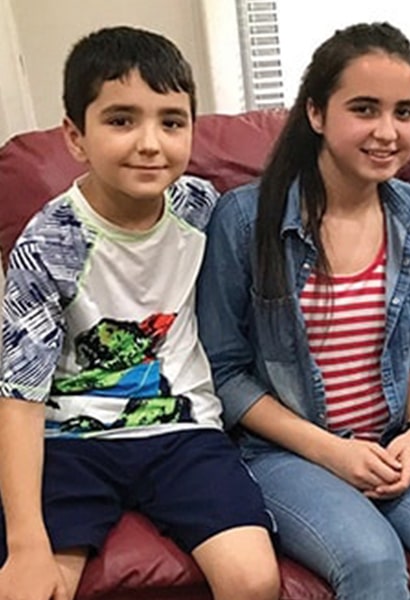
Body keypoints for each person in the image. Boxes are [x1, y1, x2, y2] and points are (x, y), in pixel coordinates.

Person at [195, 23, 410, 600]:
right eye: (364, 109)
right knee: (371, 559)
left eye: (404, 112)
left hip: (390, 440)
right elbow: (224, 373)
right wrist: (331, 452)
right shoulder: (245, 220)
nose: (387, 132)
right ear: (316, 113)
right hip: (285, 451)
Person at [0, 27, 278, 600]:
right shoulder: (49, 243)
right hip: (71, 438)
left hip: (185, 431)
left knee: (254, 580)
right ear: (76, 136)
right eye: (121, 120)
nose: (150, 143)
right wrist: (25, 542)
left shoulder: (202, 208)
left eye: (171, 122)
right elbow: (19, 397)